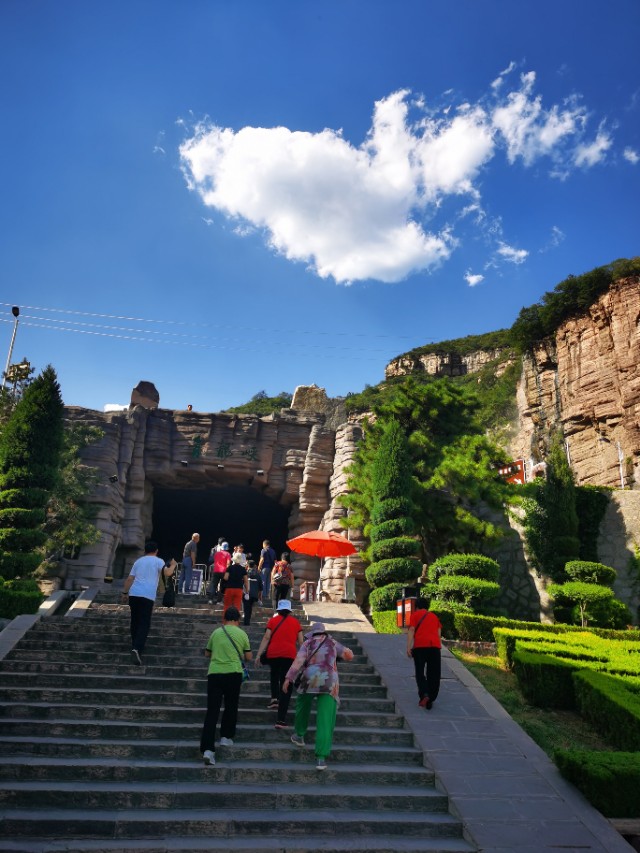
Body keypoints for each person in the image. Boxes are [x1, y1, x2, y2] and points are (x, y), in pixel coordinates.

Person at [283, 622, 354, 770]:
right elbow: (349, 655)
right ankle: (321, 758)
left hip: (309, 679)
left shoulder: (307, 643)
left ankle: (299, 735)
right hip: (330, 682)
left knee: (302, 704)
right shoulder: (332, 643)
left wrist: (288, 678)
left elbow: (298, 662)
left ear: (312, 633)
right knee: (325, 719)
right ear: (324, 632)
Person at [200, 606, 252, 766]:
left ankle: (208, 750)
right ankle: (226, 736)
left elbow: (207, 653)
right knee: (231, 706)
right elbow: (248, 656)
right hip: (233, 673)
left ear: (225, 619)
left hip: (215, 673)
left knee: (212, 711)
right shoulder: (242, 634)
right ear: (237, 620)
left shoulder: (216, 633)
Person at [121, 541, 177, 665]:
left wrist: (124, 593)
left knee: (135, 620)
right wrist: (173, 565)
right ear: (156, 551)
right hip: (147, 595)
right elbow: (167, 573)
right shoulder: (158, 561)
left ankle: (134, 644)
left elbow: (130, 578)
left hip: (134, 594)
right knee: (144, 622)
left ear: (145, 550)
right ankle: (137, 648)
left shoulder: (138, 561)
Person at [256, 599, 303, 729]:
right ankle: (281, 720)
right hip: (289, 655)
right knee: (286, 683)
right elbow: (301, 641)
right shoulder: (296, 622)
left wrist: (259, 654)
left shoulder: (272, 621)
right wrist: (303, 657)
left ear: (279, 609)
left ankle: (274, 699)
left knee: (274, 673)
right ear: (289, 610)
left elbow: (266, 637)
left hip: (273, 654)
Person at [406, 596, 442, 710]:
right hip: (434, 647)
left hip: (420, 647)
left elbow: (412, 630)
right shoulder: (434, 617)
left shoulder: (415, 615)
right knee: (434, 674)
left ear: (416, 607)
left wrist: (408, 647)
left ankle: (424, 694)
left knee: (420, 673)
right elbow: (439, 633)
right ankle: (431, 698)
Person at [243, 559, 263, 625]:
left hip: (246, 593)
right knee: (250, 607)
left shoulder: (245, 573)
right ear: (254, 565)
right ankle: (247, 620)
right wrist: (260, 597)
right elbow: (261, 586)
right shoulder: (258, 574)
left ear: (248, 565)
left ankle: (246, 621)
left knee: (246, 607)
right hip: (254, 594)